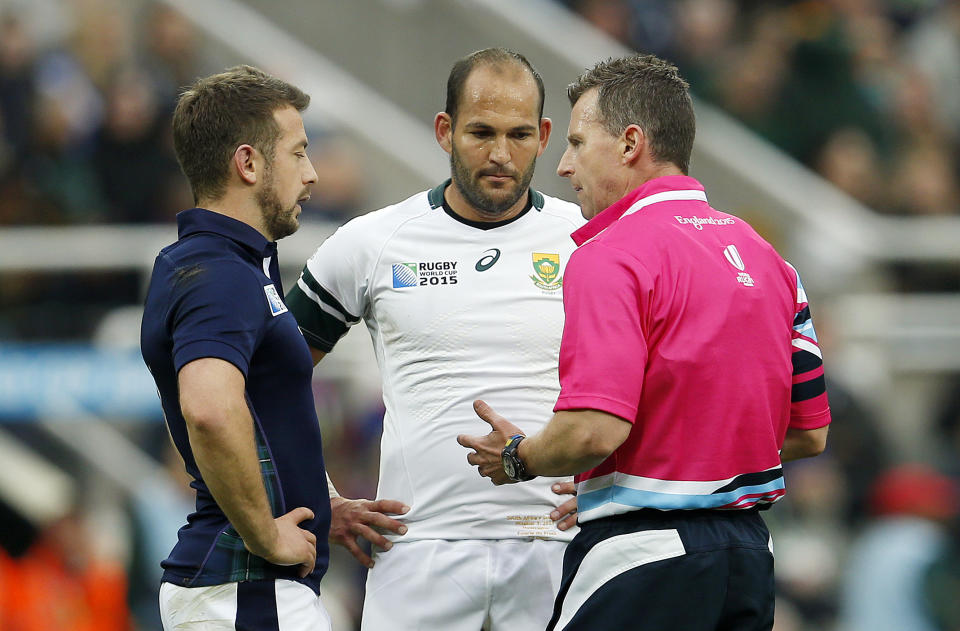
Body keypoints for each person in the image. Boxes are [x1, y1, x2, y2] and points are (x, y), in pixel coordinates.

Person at [458, 54, 832, 631]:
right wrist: (662, 466)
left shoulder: (609, 255)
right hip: (750, 559)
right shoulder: (772, 261)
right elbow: (809, 431)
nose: (563, 166)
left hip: (641, 559)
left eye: (578, 142)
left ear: (630, 143)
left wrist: (518, 457)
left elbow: (593, 430)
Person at [284, 48, 584, 630]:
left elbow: (658, 378)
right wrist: (321, 499)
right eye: (481, 132)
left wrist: (617, 486)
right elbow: (271, 377)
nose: (501, 154)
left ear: (546, 135)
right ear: (444, 130)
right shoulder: (371, 243)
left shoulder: (591, 240)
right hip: (418, 549)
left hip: (558, 546)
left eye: (520, 134)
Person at [139, 65, 332, 630]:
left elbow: (260, 416)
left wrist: (322, 507)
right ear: (248, 164)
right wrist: (266, 531)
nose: (313, 175)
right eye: (298, 153)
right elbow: (210, 408)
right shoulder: (219, 272)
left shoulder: (226, 265)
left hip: (243, 591)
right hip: (245, 590)